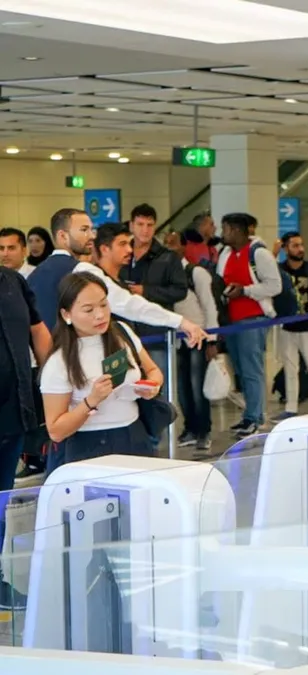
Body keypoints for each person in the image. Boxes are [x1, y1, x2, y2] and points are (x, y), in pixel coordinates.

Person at [27, 209, 208, 346]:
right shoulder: (81, 269)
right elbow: (127, 305)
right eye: (84, 230)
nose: (91, 236)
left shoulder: (33, 275)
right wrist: (180, 321)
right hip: (76, 357)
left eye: (91, 229)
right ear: (62, 236)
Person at [39, 272, 163, 471]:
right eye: (88, 310)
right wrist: (91, 400)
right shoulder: (59, 362)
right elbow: (56, 431)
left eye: (104, 304)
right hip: (88, 445)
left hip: (134, 435)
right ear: (66, 315)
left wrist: (152, 386)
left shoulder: (122, 333)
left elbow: (152, 369)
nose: (100, 315)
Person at [0, 265, 51, 609]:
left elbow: (38, 330)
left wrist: (56, 376)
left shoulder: (12, 281)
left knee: (1, 502)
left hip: (13, 416)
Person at [217, 212, 281, 437]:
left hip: (253, 318)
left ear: (236, 230)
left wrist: (245, 290)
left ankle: (256, 417)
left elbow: (275, 286)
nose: (222, 233)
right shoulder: (225, 254)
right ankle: (249, 414)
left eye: (225, 229)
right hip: (232, 320)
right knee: (241, 370)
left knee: (252, 369)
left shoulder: (259, 254)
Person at [164, 233, 220, 451]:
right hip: (176, 340)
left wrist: (212, 339)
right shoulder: (166, 275)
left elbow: (209, 306)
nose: (170, 247)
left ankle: (203, 430)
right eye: (166, 243)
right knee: (183, 388)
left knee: (198, 388)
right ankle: (190, 428)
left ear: (184, 246)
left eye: (174, 243)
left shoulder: (196, 273)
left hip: (198, 338)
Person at [275, 233, 308, 421]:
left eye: (301, 245)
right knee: (290, 367)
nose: (300, 249)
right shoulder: (279, 270)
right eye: (295, 245)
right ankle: (291, 407)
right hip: (287, 326)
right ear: (285, 248)